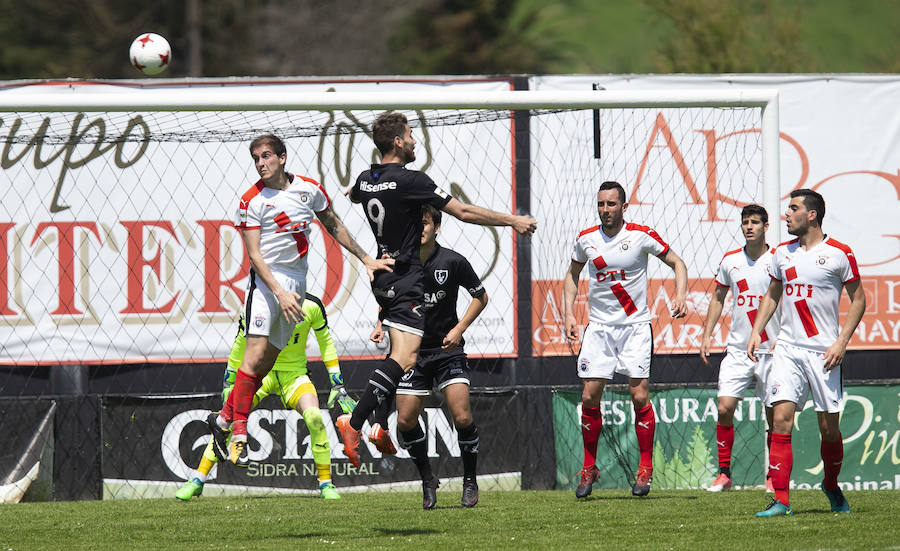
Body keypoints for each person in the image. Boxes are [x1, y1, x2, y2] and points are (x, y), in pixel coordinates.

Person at [336, 112, 536, 468]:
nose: (415, 141)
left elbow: (353, 195)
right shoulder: (411, 180)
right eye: (411, 135)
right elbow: (463, 211)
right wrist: (513, 220)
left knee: (399, 355)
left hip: (383, 278)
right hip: (408, 279)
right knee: (405, 358)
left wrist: (354, 190)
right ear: (397, 141)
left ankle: (376, 422)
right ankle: (353, 423)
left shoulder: (367, 179)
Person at [208, 134, 392, 467]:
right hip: (266, 288)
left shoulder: (309, 189)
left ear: (282, 157)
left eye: (266, 157)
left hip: (296, 285)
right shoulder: (252, 199)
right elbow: (253, 256)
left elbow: (333, 223)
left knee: (264, 365)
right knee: (253, 359)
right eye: (256, 159)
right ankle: (238, 434)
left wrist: (366, 258)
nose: (261, 164)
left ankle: (221, 420)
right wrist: (279, 292)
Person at [563, 181, 688, 498]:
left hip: (634, 327)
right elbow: (571, 276)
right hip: (600, 328)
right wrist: (567, 315)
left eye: (611, 204)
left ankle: (645, 469)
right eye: (601, 204)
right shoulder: (586, 240)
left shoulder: (640, 235)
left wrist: (681, 295)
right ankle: (589, 467)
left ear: (624, 206)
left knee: (639, 395)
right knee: (590, 396)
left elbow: (678, 263)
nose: (605, 210)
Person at [748, 189, 865, 517]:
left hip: (823, 354)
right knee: (781, 420)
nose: (787, 214)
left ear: (812, 215)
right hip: (787, 349)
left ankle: (830, 484)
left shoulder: (840, 253)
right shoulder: (782, 254)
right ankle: (781, 500)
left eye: (793, 208)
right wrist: (758, 330)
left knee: (829, 429)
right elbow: (772, 294)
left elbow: (859, 299)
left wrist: (841, 342)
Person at [178, 295, 356, 501]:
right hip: (261, 374)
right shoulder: (258, 304)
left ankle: (326, 484)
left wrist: (338, 383)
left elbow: (326, 342)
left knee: (315, 418)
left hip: (295, 375)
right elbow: (240, 343)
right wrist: (230, 380)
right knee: (229, 418)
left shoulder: (312, 305)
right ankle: (197, 480)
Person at [369, 204, 487, 509]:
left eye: (424, 223)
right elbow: (391, 300)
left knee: (461, 416)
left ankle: (470, 480)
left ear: (436, 227)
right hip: (413, 353)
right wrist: (381, 323)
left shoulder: (453, 261)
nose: (419, 229)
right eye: (414, 224)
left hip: (447, 351)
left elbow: (481, 297)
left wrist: (459, 328)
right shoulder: (399, 264)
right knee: (406, 421)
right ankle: (427, 479)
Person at [699, 204, 778, 492]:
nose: (749, 227)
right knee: (724, 407)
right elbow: (718, 298)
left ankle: (773, 476)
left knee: (774, 416)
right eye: (745, 222)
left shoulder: (777, 260)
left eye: (755, 222)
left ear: (766, 226)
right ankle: (724, 474)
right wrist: (706, 334)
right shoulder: (730, 261)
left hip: (772, 349)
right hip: (737, 348)